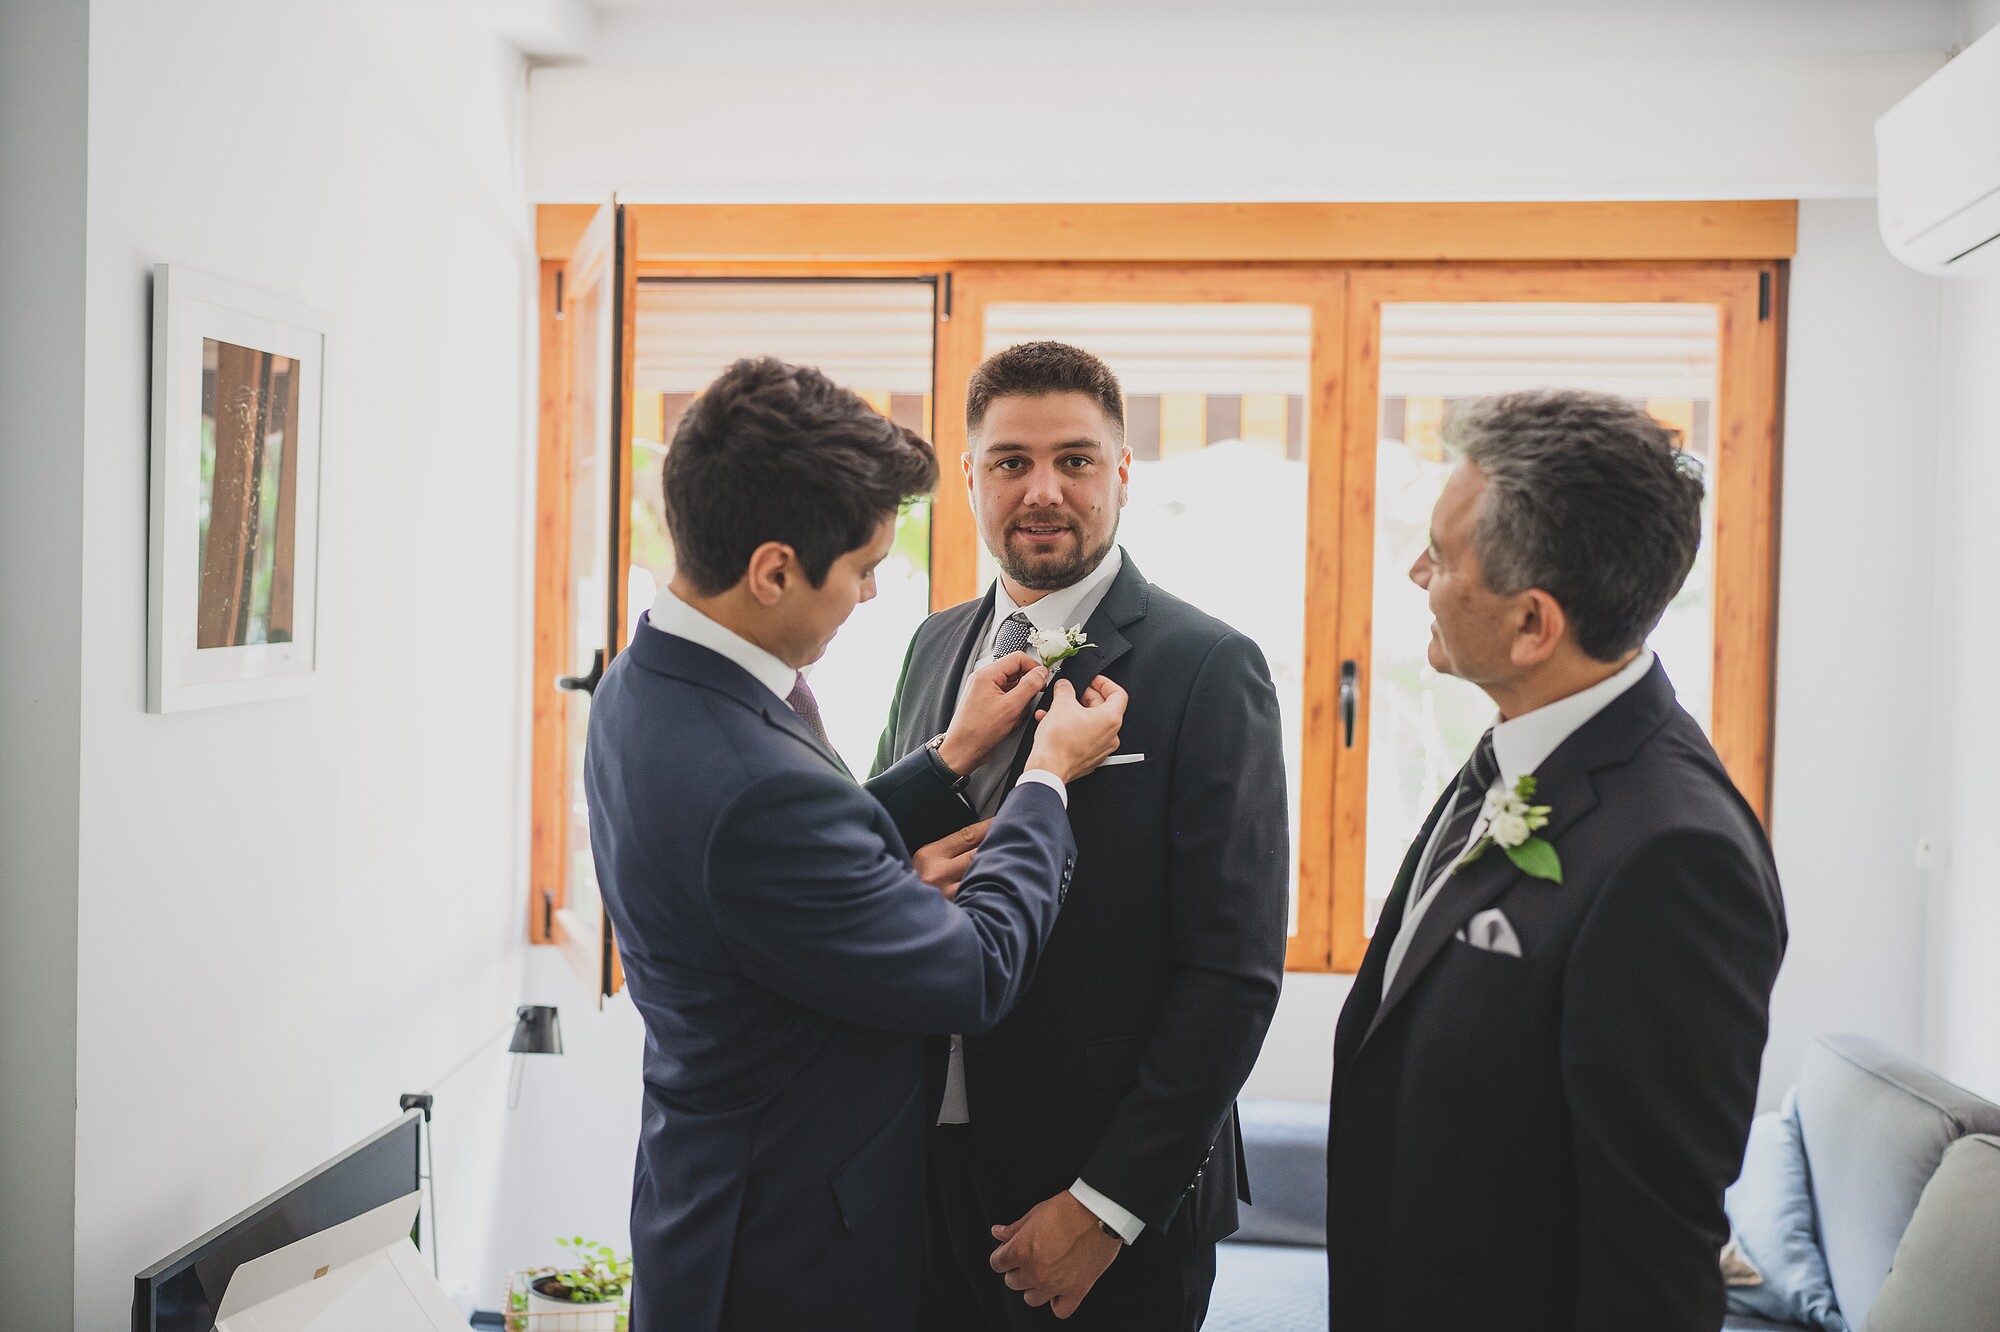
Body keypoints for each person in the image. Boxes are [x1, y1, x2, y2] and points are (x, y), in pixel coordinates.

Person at [584, 356, 1128, 1332]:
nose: (875, 595)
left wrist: (948, 758)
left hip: (710, 1204)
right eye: (864, 568)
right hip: (788, 1252)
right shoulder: (751, 784)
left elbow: (773, 865)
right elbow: (973, 970)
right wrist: (1044, 779)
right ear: (773, 569)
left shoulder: (645, 680)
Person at [1325, 389, 1788, 1331]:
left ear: (1535, 624)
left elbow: (1650, 1258)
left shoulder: (1677, 860)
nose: (1418, 571)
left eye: (1444, 556)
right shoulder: (1524, 742)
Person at [873, 341, 1289, 1331]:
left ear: (1122, 475)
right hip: (918, 1177)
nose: (1043, 490)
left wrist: (1106, 1207)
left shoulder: (1208, 668)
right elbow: (874, 866)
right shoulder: (930, 644)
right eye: (1011, 462)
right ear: (970, 477)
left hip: (1098, 1206)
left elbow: (1230, 973)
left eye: (1076, 459)